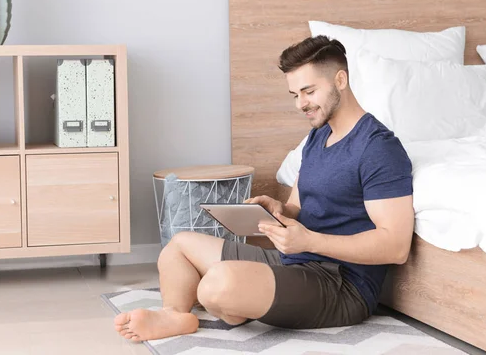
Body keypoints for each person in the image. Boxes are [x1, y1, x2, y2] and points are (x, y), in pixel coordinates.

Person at [114, 35, 415, 342]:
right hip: (296, 261)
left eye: (309, 91)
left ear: (340, 79)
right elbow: (297, 206)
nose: (301, 104)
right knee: (178, 245)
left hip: (341, 283)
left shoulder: (378, 148)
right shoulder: (317, 137)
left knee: (214, 285)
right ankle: (176, 315)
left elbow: (396, 246)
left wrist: (309, 240)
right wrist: (278, 209)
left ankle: (240, 301)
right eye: (295, 94)